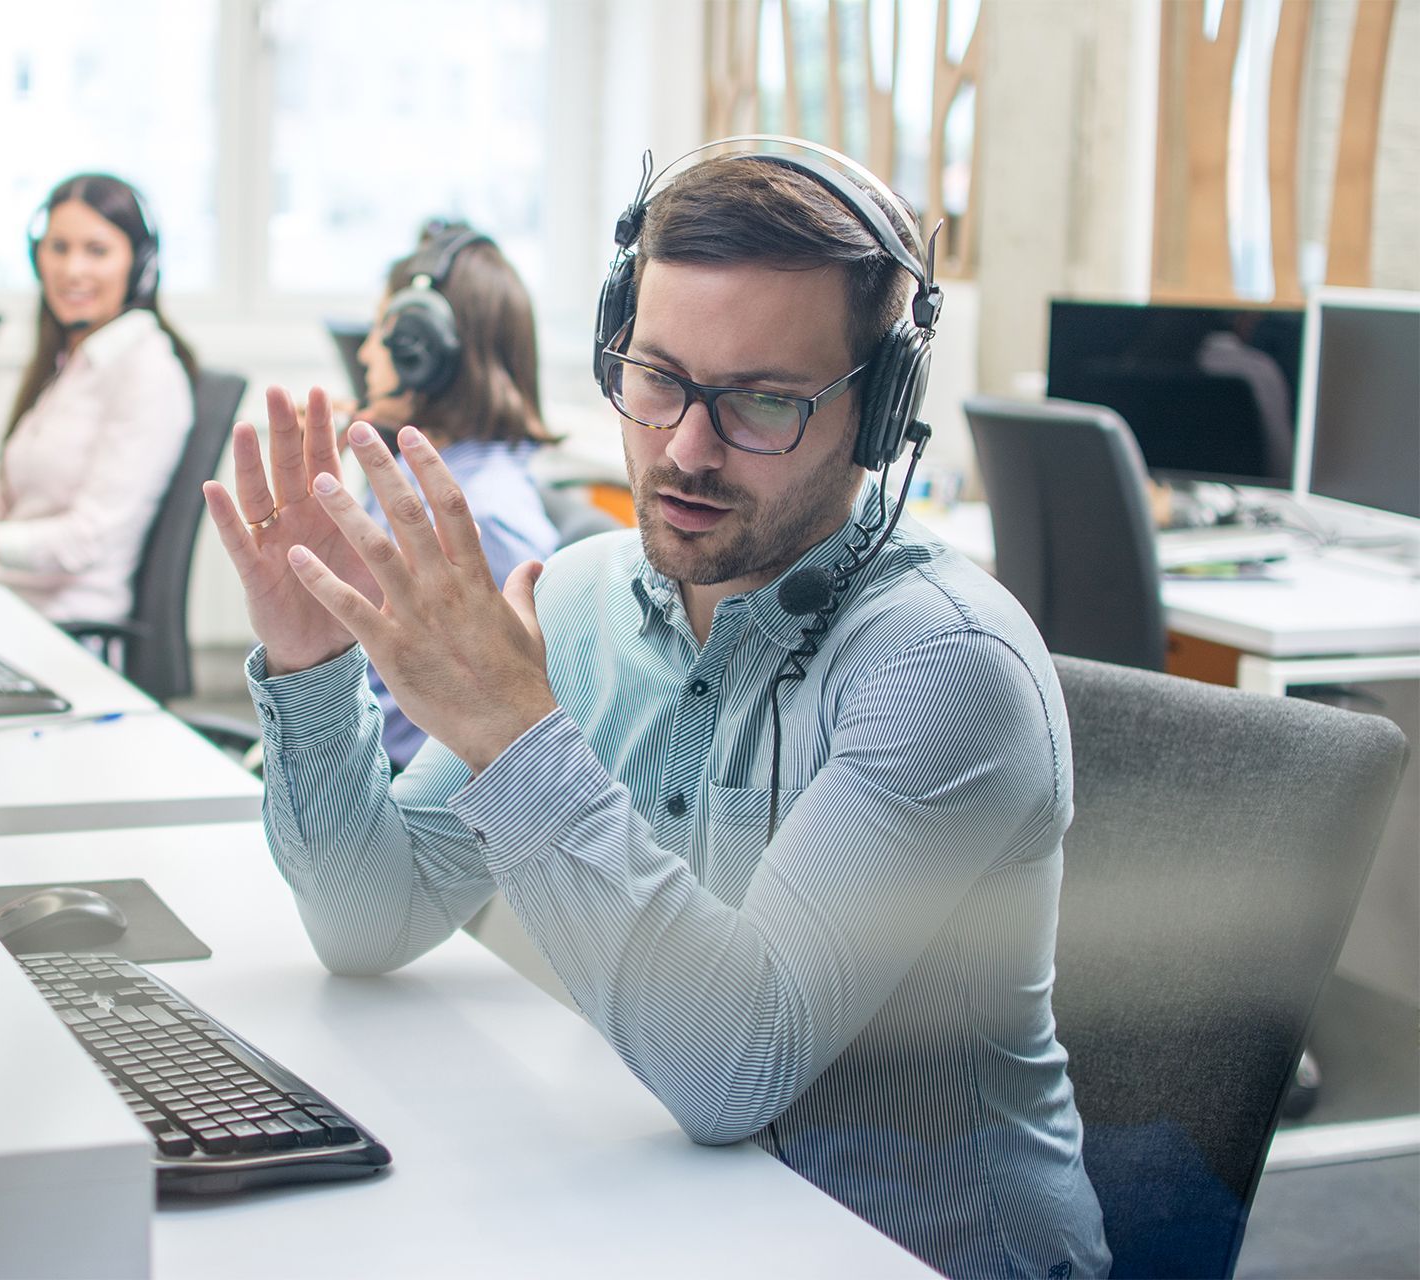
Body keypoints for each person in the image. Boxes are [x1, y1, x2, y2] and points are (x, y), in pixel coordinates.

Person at [203, 138, 1108, 1279]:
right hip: (686, 1222)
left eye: (763, 403)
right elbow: (366, 918)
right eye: (658, 376)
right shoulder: (585, 597)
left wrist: (510, 733)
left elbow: (736, 1065)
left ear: (877, 416)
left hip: (913, 1250)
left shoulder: (945, 667)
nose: (685, 449)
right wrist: (311, 658)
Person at [349, 221, 560, 768]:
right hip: (365, 753)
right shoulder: (414, 474)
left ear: (427, 350)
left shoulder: (482, 518)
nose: (367, 354)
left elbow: (514, 736)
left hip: (414, 793)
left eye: (381, 333)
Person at [0, 173, 197, 622]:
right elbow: (12, 494)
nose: (71, 270)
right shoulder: (71, 361)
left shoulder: (148, 372)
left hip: (66, 625)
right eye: (58, 248)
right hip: (7, 605)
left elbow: (88, 538)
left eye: (96, 251)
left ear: (138, 265)